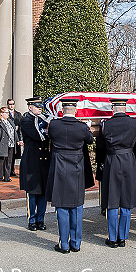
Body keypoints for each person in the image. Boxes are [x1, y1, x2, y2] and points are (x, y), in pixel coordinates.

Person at [46, 98, 94, 253]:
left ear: (62, 109)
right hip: (76, 169)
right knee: (76, 207)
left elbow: (50, 136)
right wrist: (88, 127)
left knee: (61, 207)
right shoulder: (81, 127)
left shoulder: (54, 125)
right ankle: (76, 242)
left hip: (59, 168)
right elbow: (90, 140)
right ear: (75, 110)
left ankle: (64, 244)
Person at [95, 98, 136, 248]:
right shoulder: (134, 123)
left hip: (112, 160)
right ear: (125, 107)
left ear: (113, 108)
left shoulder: (105, 124)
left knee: (112, 199)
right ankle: (123, 237)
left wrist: (100, 163)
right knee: (126, 200)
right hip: (129, 160)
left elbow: (100, 147)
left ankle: (112, 237)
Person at [19, 96, 50, 231]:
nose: (40, 109)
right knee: (32, 192)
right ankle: (32, 219)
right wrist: (49, 129)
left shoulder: (43, 118)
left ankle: (40, 219)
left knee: (43, 192)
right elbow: (39, 135)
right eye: (37, 107)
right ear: (30, 107)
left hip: (44, 161)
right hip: (32, 161)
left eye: (40, 107)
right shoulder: (26, 120)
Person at [0, 107, 17, 183]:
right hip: (1, 144)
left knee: (8, 162)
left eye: (8, 112)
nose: (8, 114)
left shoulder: (10, 121)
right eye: (6, 112)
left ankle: (7, 176)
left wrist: (17, 140)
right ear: (1, 113)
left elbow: (14, 132)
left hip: (10, 144)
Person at [7, 99, 23, 177]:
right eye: (10, 104)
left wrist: (20, 139)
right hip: (8, 137)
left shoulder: (18, 114)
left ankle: (12, 170)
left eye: (12, 104)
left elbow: (21, 126)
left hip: (16, 136)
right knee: (8, 155)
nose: (11, 105)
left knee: (13, 154)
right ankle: (7, 170)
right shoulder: (6, 114)